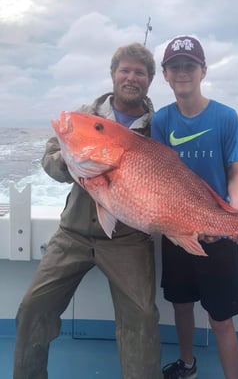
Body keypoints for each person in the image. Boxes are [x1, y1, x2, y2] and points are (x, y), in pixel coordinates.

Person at [13, 43, 163, 379]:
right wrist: (71, 163)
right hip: (74, 233)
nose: (131, 77)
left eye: (140, 72)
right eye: (124, 70)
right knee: (33, 307)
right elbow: (50, 158)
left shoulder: (157, 128)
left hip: (128, 239)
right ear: (112, 74)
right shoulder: (83, 118)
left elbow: (169, 177)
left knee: (142, 317)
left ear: (150, 80)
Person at [151, 35, 238, 379]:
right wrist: (181, 223)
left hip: (218, 234)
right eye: (174, 66)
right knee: (181, 305)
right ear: (164, 74)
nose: (182, 72)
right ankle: (188, 363)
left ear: (203, 70)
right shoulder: (161, 122)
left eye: (189, 65)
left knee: (221, 319)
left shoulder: (226, 117)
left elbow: (234, 174)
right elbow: (159, 180)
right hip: (177, 232)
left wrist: (236, 211)